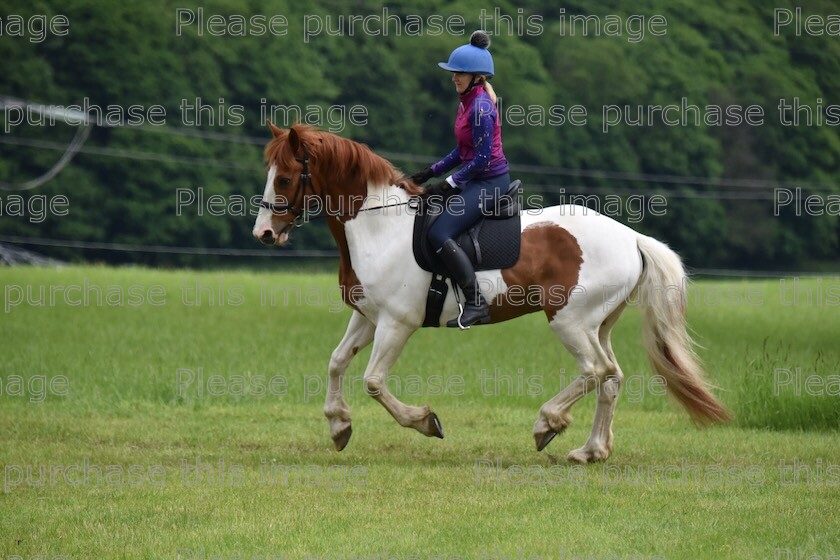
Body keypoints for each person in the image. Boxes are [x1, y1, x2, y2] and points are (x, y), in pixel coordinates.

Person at [409, 30, 510, 329]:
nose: (454, 78)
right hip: (475, 179)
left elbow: (480, 160)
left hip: (490, 183)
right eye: (454, 73)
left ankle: (476, 302)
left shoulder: (480, 108)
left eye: (460, 74)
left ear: (477, 77)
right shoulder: (467, 102)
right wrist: (432, 171)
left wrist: (448, 184)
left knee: (439, 234)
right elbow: (462, 150)